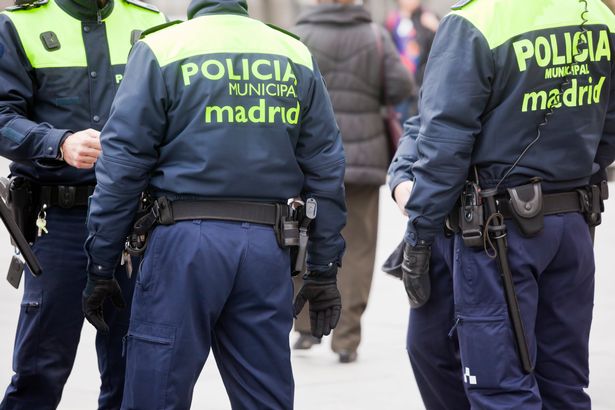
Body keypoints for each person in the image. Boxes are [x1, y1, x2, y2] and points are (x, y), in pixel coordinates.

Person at [81, 0, 346, 408]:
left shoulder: (162, 49)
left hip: (182, 245)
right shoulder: (292, 52)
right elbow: (326, 168)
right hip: (266, 246)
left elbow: (123, 165)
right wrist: (324, 269)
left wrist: (101, 260)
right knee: (266, 399)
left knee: (156, 394)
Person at [398, 0, 615, 408]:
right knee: (564, 385)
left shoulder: (475, 21)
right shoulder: (599, 17)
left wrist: (419, 237)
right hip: (571, 219)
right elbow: (610, 126)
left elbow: (445, 145)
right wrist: (573, 171)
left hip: (499, 231)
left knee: (499, 388)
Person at [0, 0, 165, 408]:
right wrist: (58, 142)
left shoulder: (151, 23)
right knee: (41, 368)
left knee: (133, 369)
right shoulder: (20, 26)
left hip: (137, 223)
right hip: (58, 222)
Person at [291, 0, 413, 363]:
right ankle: (346, 337)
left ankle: (306, 327)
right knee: (358, 248)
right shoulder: (375, 36)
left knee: (301, 237)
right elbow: (402, 85)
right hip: (362, 160)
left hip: (309, 158)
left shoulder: (300, 36)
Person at [387, 115, 470, 410]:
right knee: (425, 346)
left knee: (493, 359)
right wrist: (401, 176)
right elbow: (422, 122)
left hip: (495, 222)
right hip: (439, 222)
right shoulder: (447, 68)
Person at [386, 0, 438, 121]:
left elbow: (441, 50)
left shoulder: (428, 18)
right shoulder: (392, 22)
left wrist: (437, 28)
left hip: (424, 88)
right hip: (401, 91)